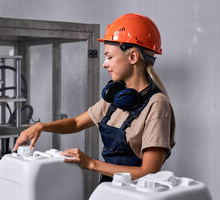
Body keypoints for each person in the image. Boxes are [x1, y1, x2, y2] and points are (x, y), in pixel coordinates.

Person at [13, 13, 175, 182]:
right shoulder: (116, 98)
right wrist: (40, 126)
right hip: (108, 189)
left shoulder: (156, 104)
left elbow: (149, 172)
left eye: (110, 57)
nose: (105, 63)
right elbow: (76, 123)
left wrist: (90, 163)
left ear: (133, 56)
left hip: (137, 197)